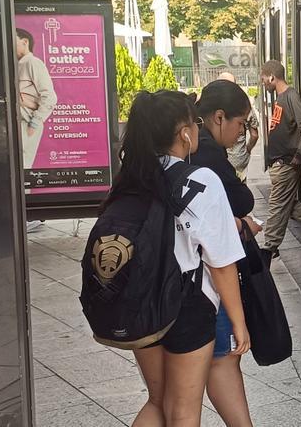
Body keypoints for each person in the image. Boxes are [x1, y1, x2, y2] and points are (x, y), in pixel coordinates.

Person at [109, 90, 250, 427]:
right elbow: (221, 262)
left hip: (140, 300)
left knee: (158, 402)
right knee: (184, 410)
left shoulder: (131, 178)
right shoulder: (201, 180)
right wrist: (238, 322)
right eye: (194, 124)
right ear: (185, 133)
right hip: (185, 303)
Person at [192, 80, 262, 427]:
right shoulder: (204, 154)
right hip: (199, 282)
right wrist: (239, 322)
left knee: (170, 401)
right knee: (219, 362)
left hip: (170, 287)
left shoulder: (182, 152)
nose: (241, 132)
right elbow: (241, 201)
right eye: (240, 123)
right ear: (218, 117)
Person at [261, 60, 301, 256]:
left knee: (277, 204)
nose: (263, 82)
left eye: (264, 78)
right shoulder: (281, 97)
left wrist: (299, 155)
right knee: (288, 205)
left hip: (286, 162)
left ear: (272, 77)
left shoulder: (291, 96)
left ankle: (269, 247)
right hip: (280, 162)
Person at [16, 28, 57, 170]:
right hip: (19, 124)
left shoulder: (33, 63)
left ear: (24, 41)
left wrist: (34, 123)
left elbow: (50, 97)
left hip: (25, 123)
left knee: (22, 168)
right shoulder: (19, 64)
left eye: (12, 40)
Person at [217, 73, 260, 181]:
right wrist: (247, 150)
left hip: (219, 159)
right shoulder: (245, 105)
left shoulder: (213, 106)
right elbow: (254, 135)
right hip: (239, 157)